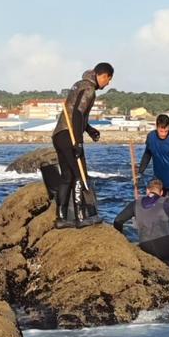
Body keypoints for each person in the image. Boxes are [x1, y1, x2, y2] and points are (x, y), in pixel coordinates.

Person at [52, 63, 113, 228]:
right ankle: (80, 217)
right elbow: (78, 113)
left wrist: (90, 130)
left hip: (59, 134)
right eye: (108, 80)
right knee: (80, 175)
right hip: (69, 136)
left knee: (67, 177)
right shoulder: (89, 89)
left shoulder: (79, 84)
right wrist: (78, 141)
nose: (108, 83)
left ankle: (61, 218)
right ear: (103, 75)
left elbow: (75, 114)